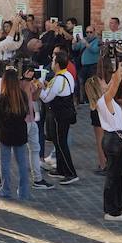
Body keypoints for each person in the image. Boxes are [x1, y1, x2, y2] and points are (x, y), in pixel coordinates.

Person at [96, 61, 122, 221]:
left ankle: (119, 204)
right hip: (113, 140)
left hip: (117, 138)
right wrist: (119, 67)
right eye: (103, 82)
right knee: (112, 175)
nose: (107, 83)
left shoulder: (107, 99)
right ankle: (111, 210)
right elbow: (115, 83)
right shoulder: (104, 100)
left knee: (119, 174)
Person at [0, 68, 33, 203]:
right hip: (20, 133)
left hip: (5, 134)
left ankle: (6, 189)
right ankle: (24, 191)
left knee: (5, 163)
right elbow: (25, 112)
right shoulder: (22, 95)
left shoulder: (2, 98)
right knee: (22, 163)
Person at [40, 50, 79, 184]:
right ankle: (61, 169)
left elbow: (46, 98)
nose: (51, 63)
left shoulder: (58, 79)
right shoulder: (67, 75)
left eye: (53, 61)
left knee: (61, 143)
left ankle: (70, 172)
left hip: (59, 115)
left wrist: (40, 88)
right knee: (58, 141)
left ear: (56, 64)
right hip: (66, 112)